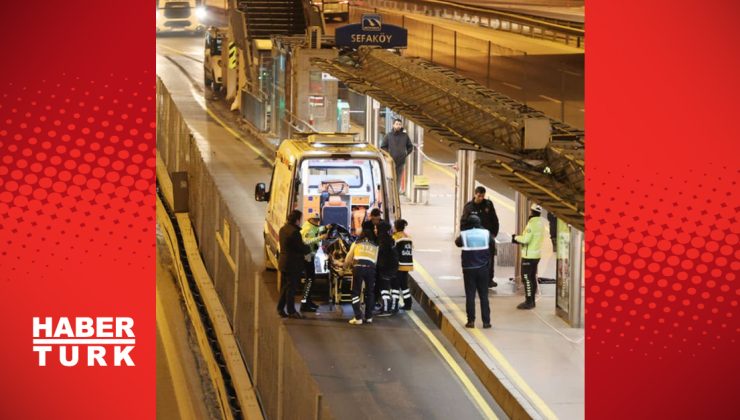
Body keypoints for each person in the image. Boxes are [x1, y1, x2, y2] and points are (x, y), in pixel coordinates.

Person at [455, 215, 495, 329]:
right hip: (483, 268)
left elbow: (457, 243)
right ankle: (486, 322)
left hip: (468, 269)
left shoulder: (465, 234)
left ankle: (471, 321)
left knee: (470, 295)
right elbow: (492, 245)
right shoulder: (486, 233)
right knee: (484, 296)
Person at [461, 186, 500, 288]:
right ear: (475, 194)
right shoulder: (469, 207)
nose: (481, 198)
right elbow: (463, 222)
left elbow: (494, 219)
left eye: (482, 196)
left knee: (489, 259)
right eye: (479, 196)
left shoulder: (488, 204)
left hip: (487, 236)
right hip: (475, 238)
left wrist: (494, 233)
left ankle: (489, 280)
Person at [343, 221, 379, 325]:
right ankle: (369, 317)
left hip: (358, 268)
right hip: (371, 268)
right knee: (370, 293)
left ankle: (358, 317)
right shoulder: (375, 245)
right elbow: (375, 261)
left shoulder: (356, 243)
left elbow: (349, 257)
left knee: (355, 292)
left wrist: (344, 267)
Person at [277, 210, 311, 319]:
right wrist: (308, 248)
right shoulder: (294, 232)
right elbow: (300, 248)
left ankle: (280, 308)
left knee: (286, 287)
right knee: (291, 288)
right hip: (293, 264)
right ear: (297, 220)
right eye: (300, 219)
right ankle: (291, 311)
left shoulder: (283, 229)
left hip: (283, 262)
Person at [512, 204, 546, 310]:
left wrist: (516, 238)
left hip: (529, 256)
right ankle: (532, 301)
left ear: (531, 212)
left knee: (526, 278)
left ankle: (529, 302)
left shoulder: (532, 224)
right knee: (531, 278)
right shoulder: (541, 223)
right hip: (536, 255)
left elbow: (526, 239)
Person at [300, 214, 331, 312]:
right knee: (309, 280)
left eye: (318, 220)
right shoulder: (307, 228)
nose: (317, 222)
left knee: (311, 279)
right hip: (307, 256)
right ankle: (304, 304)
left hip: (310, 256)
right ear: (310, 219)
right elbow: (305, 241)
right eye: (315, 220)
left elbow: (317, 229)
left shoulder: (313, 226)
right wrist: (320, 238)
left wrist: (325, 227)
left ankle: (308, 301)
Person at [375, 218, 398, 316]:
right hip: (393, 266)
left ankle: (385, 309)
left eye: (377, 228)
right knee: (389, 288)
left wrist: (379, 266)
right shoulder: (391, 239)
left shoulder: (381, 240)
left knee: (384, 288)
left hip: (385, 267)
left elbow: (381, 254)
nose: (375, 230)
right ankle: (390, 307)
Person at [380, 118, 414, 186]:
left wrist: (405, 154)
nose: (398, 126)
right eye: (396, 124)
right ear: (393, 125)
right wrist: (388, 155)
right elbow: (383, 147)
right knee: (390, 178)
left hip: (401, 162)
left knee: (398, 179)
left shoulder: (405, 136)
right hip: (390, 161)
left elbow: (410, 146)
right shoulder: (388, 135)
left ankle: (397, 194)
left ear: (401, 126)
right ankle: (390, 193)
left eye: (399, 124)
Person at [392, 219, 414, 311]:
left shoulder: (395, 237)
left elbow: (393, 251)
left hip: (399, 265)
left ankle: (395, 304)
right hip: (408, 264)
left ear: (396, 227)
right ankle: (408, 304)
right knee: (404, 285)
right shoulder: (408, 237)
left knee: (395, 286)